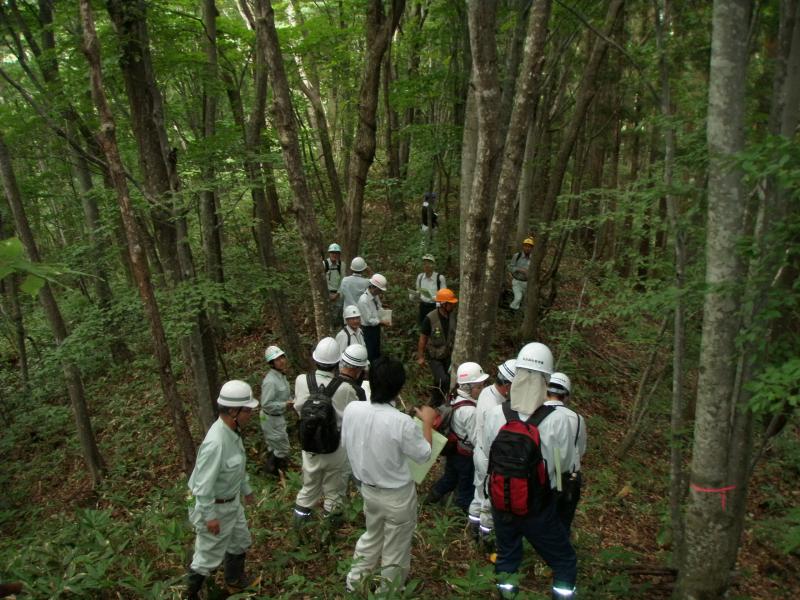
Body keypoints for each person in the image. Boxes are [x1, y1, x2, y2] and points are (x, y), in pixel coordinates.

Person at [483, 343, 577, 599]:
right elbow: (564, 464)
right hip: (538, 506)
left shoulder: (495, 414)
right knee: (564, 560)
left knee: (507, 555)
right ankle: (562, 594)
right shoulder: (558, 419)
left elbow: (486, 450)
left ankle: (507, 594)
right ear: (546, 379)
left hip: (501, 501)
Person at [341, 356, 436, 593]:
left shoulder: (353, 409)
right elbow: (424, 455)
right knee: (396, 547)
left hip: (368, 490)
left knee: (372, 536)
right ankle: (388, 592)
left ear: (369, 380)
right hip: (397, 496)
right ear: (398, 388)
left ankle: (354, 583)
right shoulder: (403, 423)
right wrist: (427, 422)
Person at [186, 380, 259, 600]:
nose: (250, 415)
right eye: (247, 410)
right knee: (206, 557)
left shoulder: (232, 432)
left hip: (231, 503)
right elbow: (202, 486)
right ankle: (190, 593)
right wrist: (210, 517)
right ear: (233, 411)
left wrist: (246, 490)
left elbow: (236, 467)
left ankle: (234, 581)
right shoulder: (216, 442)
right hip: (212, 507)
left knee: (240, 541)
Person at [293, 338, 366, 525]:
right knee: (334, 493)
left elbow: (297, 407)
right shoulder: (347, 389)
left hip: (309, 445)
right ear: (337, 363)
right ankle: (329, 534)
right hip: (335, 447)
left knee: (308, 489)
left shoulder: (301, 381)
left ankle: (300, 530)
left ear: (315, 358)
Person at [426, 362, 486, 514]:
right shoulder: (470, 411)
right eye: (479, 386)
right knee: (466, 487)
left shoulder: (455, 398)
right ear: (467, 387)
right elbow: (475, 439)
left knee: (449, 479)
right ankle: (460, 517)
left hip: (453, 450)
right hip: (465, 456)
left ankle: (427, 501)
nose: (482, 389)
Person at [469, 358, 516, 544]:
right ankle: (485, 537)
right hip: (489, 458)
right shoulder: (495, 407)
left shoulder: (487, 392)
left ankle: (473, 527)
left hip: (481, 452)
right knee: (488, 499)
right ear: (506, 386)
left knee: (479, 493)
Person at [542, 372, 586, 535]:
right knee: (563, 522)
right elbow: (580, 450)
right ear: (566, 395)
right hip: (568, 478)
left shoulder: (536, 414)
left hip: (541, 476)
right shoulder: (577, 419)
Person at [417, 288, 458, 406]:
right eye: (451, 303)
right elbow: (423, 338)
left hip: (448, 355)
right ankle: (443, 402)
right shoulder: (430, 318)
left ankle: (435, 403)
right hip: (434, 356)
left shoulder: (453, 316)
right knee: (443, 380)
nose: (453, 306)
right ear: (443, 304)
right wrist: (420, 356)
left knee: (447, 379)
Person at [260, 345, 292, 477]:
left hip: (277, 416)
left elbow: (283, 395)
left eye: (282, 358)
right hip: (271, 418)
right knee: (282, 447)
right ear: (271, 363)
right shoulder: (270, 381)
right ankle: (273, 472)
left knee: (275, 445)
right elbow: (266, 404)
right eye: (277, 360)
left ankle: (274, 472)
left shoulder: (281, 376)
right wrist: (285, 404)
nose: (281, 361)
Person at [357, 273, 389, 361]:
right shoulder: (363, 300)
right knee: (370, 352)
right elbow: (368, 320)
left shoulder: (375, 296)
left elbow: (379, 306)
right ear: (373, 287)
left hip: (376, 328)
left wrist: (384, 314)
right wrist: (381, 322)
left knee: (376, 351)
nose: (380, 292)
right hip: (368, 330)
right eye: (380, 290)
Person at [415, 254, 446, 326]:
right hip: (423, 307)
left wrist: (433, 298)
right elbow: (418, 291)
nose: (426, 265)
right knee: (423, 329)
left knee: (435, 328)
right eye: (424, 263)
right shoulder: (420, 277)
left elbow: (444, 297)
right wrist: (414, 296)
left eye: (429, 263)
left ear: (433, 265)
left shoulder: (440, 278)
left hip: (435, 307)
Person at [508, 237, 534, 311]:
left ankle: (519, 316)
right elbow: (510, 267)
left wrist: (529, 274)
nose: (527, 248)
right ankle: (511, 311)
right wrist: (519, 270)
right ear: (523, 246)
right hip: (517, 281)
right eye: (526, 246)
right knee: (518, 298)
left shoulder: (533, 259)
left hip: (527, 283)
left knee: (526, 302)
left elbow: (534, 272)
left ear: (532, 248)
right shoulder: (517, 256)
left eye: (529, 246)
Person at [324, 243, 344, 328]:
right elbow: (320, 282)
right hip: (326, 294)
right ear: (329, 253)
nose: (334, 255)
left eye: (337, 253)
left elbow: (343, 280)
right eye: (332, 253)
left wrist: (337, 294)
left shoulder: (341, 265)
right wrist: (328, 294)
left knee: (339, 315)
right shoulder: (324, 264)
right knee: (328, 317)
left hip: (338, 295)